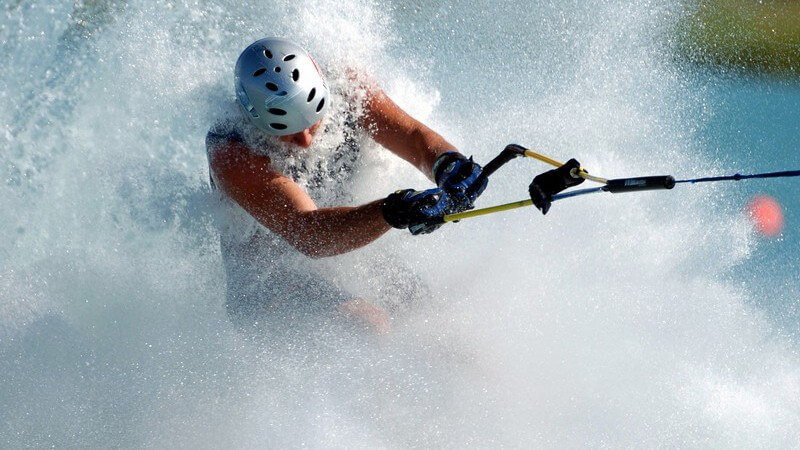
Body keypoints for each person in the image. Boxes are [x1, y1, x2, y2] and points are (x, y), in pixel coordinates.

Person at [206, 37, 488, 334]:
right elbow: (309, 233)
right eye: (286, 132)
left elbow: (413, 137)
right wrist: (394, 210)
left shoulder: (347, 85)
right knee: (368, 325)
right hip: (271, 286)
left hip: (351, 258)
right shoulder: (231, 152)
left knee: (438, 325)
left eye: (312, 121)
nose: (305, 141)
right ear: (253, 118)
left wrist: (449, 165)